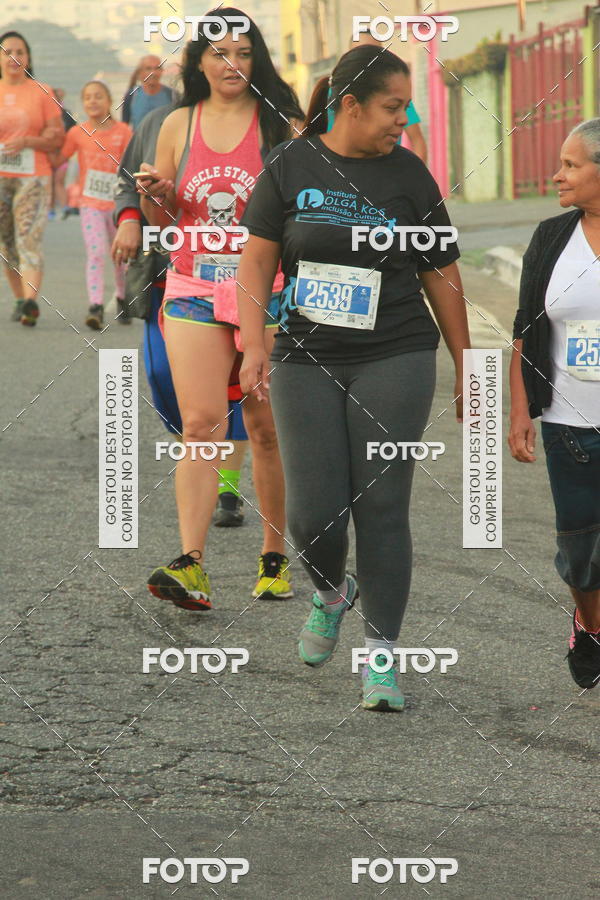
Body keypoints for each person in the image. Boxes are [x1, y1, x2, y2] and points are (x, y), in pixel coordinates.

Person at [238, 45, 469, 711]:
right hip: (305, 356)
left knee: (382, 506)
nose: (402, 120)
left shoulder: (410, 175)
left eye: (406, 108)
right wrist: (252, 344)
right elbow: (256, 261)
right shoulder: (291, 164)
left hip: (395, 352)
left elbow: (441, 274)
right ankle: (332, 592)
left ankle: (381, 659)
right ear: (349, 105)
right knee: (313, 515)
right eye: (393, 107)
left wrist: (467, 365)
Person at [137, 8, 304, 611]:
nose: (232, 63)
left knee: (266, 429)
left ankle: (274, 557)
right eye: (218, 53)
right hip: (192, 288)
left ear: (256, 60)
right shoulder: (177, 124)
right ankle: (191, 563)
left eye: (243, 52)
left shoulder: (282, 125)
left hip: (269, 293)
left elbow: (304, 212)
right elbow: (163, 218)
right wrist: (155, 197)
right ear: (199, 63)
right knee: (201, 425)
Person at [112, 101, 250, 527]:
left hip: (242, 279)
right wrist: (130, 218)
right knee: (161, 375)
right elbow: (127, 181)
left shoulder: (254, 118)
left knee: (236, 386)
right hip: (166, 274)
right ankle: (200, 449)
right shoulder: (160, 122)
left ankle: (226, 486)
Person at [509, 119, 600, 690]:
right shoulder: (550, 239)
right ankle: (590, 624)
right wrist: (520, 410)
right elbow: (525, 329)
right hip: (569, 424)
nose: (557, 175)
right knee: (581, 547)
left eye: (570, 165)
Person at [55, 81, 132, 329]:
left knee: (120, 256)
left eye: (98, 96)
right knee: (96, 252)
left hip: (118, 204)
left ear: (109, 101)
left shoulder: (124, 132)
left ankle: (122, 297)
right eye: (87, 97)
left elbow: (132, 165)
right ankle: (95, 306)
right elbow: (59, 158)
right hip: (90, 204)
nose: (92, 101)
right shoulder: (77, 133)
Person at [0, 31, 64, 325]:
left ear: (28, 58)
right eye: (7, 52)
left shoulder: (42, 92)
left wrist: (28, 141)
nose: (14, 57)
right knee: (7, 244)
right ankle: (19, 299)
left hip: (33, 177)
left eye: (20, 52)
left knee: (28, 238)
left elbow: (57, 138)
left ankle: (30, 303)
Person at [331, 30, 427, 162]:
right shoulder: (331, 97)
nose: (369, 61)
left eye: (376, 54)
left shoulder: (397, 98)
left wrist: (414, 172)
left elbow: (417, 140)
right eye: (362, 53)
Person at [122, 56, 174, 131]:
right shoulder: (132, 95)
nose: (153, 73)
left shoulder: (172, 95)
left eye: (157, 68)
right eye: (148, 68)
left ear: (162, 71)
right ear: (140, 72)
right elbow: (124, 126)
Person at [47, 88, 76, 220]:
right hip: (48, 153)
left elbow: (74, 131)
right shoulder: (46, 114)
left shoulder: (66, 114)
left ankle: (64, 207)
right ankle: (51, 209)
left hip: (63, 154)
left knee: (58, 181)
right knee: (50, 182)